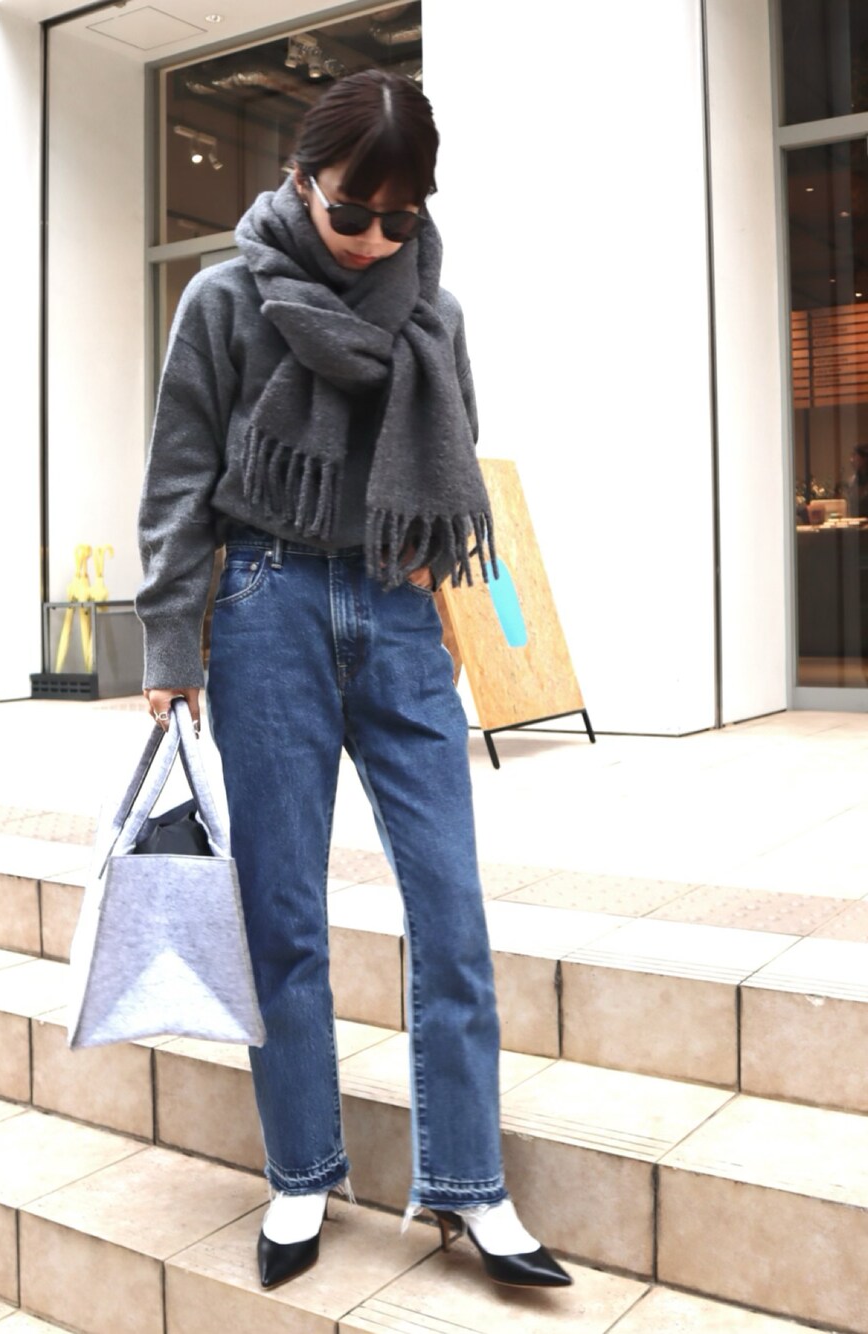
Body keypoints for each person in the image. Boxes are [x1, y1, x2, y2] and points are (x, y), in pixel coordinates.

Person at [136, 69, 571, 1293]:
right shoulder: (225, 298)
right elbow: (177, 481)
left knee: (452, 908)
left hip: (395, 610)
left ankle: (470, 1182)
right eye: (350, 211)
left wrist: (446, 612)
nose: (376, 237)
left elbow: (452, 467)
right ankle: (300, 1170)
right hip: (264, 606)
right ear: (299, 181)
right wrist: (169, 650)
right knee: (282, 913)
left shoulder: (434, 310)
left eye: (399, 216)